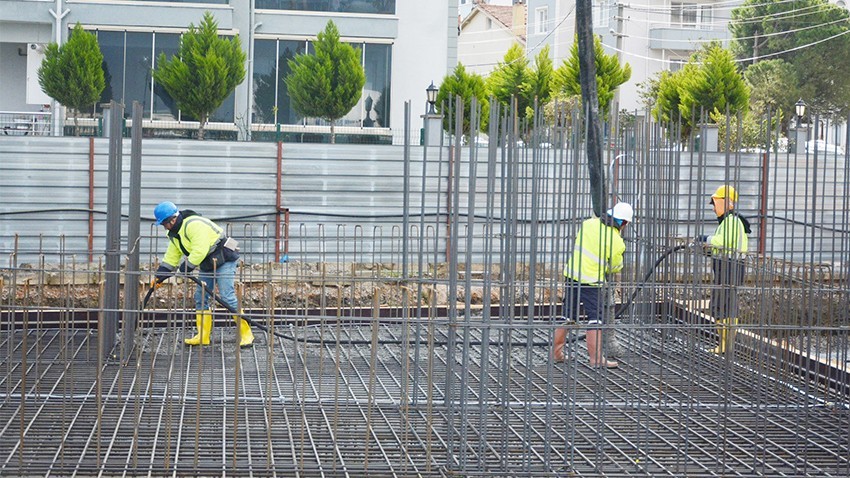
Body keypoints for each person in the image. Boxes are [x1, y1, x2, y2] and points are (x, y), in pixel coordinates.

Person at [151, 201, 255, 347]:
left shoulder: (193, 225)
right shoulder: (174, 233)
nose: (164, 227)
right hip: (207, 262)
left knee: (227, 296)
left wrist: (188, 266)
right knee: (201, 297)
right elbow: (172, 255)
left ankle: (246, 334)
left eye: (164, 224)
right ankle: (203, 336)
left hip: (224, 257)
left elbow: (200, 248)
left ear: (172, 220)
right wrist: (161, 273)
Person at [553, 202, 633, 368]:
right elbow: (616, 267)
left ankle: (557, 353)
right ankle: (596, 359)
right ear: (624, 223)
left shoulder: (588, 224)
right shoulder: (616, 241)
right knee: (595, 320)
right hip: (591, 280)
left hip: (572, 275)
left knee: (567, 316)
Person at [699, 185, 750, 354]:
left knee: (724, 305)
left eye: (715, 203)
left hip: (730, 267)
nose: (714, 208)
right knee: (721, 305)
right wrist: (709, 250)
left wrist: (706, 239)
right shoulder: (728, 221)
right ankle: (724, 344)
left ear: (727, 203)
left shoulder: (732, 221)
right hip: (726, 266)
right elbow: (724, 245)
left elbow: (724, 241)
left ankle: (726, 345)